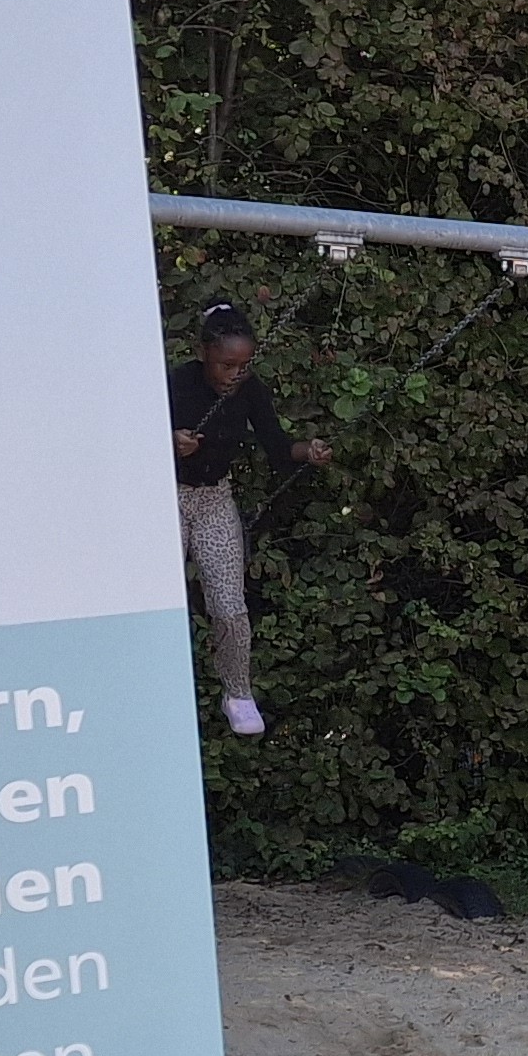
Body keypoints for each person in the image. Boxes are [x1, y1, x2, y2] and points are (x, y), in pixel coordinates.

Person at [165, 304, 328, 738]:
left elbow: (275, 445)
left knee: (230, 606)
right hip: (164, 497)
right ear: (204, 354)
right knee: (161, 601)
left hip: (214, 499)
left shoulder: (250, 390)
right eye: (226, 364)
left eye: (243, 365)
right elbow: (126, 436)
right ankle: (157, 683)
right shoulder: (176, 383)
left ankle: (237, 691)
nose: (235, 373)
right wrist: (167, 442)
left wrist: (305, 452)